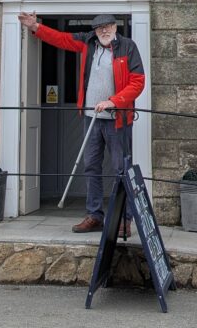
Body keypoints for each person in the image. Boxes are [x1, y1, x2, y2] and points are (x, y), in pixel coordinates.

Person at [17, 12, 145, 234]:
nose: (103, 31)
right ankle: (94, 215)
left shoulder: (128, 47)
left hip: (117, 120)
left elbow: (138, 82)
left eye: (107, 26)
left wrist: (114, 101)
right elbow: (62, 39)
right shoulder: (89, 42)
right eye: (99, 28)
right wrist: (35, 26)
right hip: (91, 118)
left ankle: (124, 219)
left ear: (115, 27)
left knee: (120, 169)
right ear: (94, 31)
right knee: (91, 166)